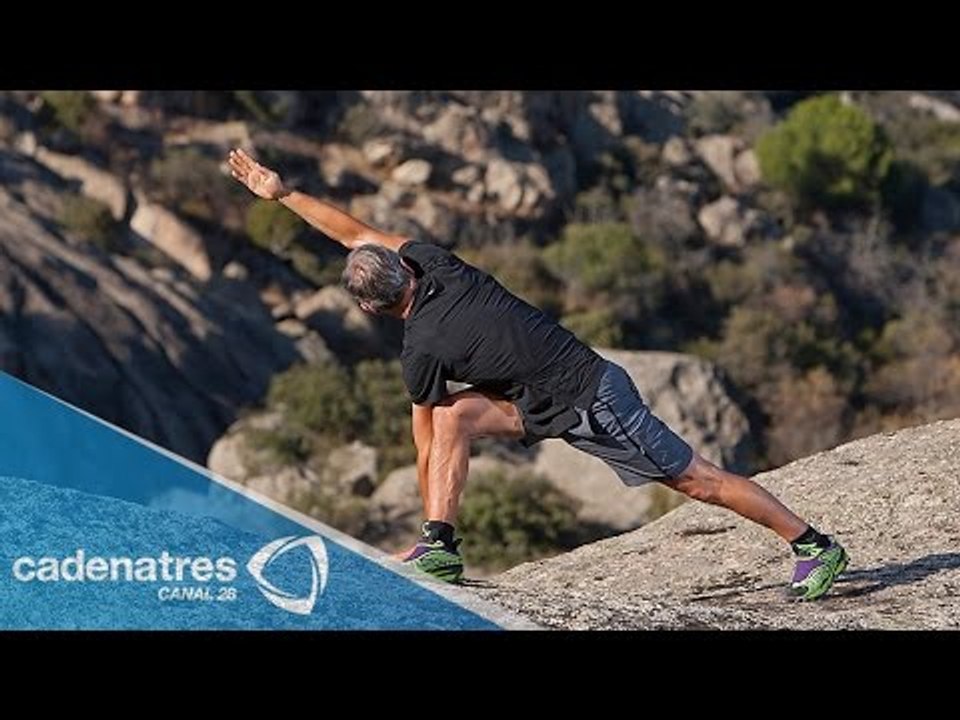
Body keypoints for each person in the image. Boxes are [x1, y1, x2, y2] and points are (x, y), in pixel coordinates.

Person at [227, 147, 849, 600]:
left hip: (592, 399)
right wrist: (284, 195)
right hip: (541, 400)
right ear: (403, 271)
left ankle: (813, 544)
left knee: (697, 481)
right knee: (454, 414)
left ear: (371, 308)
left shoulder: (422, 349)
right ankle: (439, 545)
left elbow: (423, 443)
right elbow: (356, 233)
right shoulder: (436, 261)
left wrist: (427, 476)